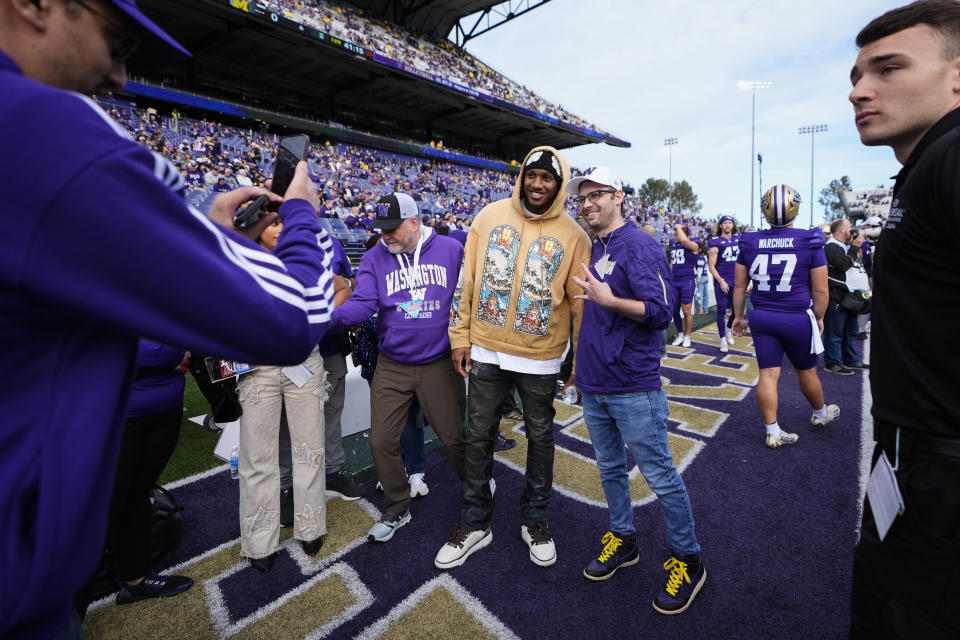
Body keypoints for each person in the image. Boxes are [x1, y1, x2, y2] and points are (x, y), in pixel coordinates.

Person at [0, 1, 335, 636]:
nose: (121, 78)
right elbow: (294, 315)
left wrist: (198, 238)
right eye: (118, 43)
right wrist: (301, 218)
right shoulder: (44, 126)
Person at [848, 2, 960, 636]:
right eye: (858, 75)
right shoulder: (923, 167)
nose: (860, 91)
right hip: (915, 459)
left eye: (888, 68)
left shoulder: (950, 156)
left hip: (940, 471)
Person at [435, 146, 591, 570]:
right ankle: (474, 521)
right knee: (479, 433)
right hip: (486, 348)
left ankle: (535, 519)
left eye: (548, 179)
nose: (538, 185)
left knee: (541, 439)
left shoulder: (576, 236)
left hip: (542, 359)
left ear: (558, 185)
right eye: (532, 176)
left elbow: (579, 305)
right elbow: (467, 279)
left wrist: (579, 362)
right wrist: (459, 336)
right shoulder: (487, 216)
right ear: (522, 176)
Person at [568, 167, 706, 615]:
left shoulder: (641, 245)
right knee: (609, 469)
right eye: (582, 199)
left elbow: (661, 311)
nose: (587, 204)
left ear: (619, 196)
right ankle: (624, 538)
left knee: (661, 476)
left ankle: (688, 558)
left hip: (631, 384)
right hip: (594, 382)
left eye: (596, 196)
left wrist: (611, 302)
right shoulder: (597, 243)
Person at [330, 193, 467, 543]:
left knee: (454, 437)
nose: (385, 236)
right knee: (381, 439)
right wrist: (325, 317)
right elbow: (364, 304)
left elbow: (468, 297)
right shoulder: (377, 255)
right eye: (381, 229)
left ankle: (477, 488)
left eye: (392, 229)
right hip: (393, 362)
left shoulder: (451, 250)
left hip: (438, 360)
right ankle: (397, 506)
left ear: (414, 223)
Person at [236, 220, 331, 573]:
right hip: (256, 365)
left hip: (303, 360)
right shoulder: (240, 258)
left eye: (283, 221)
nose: (278, 227)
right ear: (256, 223)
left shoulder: (306, 257)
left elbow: (335, 290)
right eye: (271, 221)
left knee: (310, 448)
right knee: (257, 456)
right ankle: (259, 542)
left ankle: (311, 526)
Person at [732, 185, 840, 449]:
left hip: (763, 316)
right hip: (795, 317)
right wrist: (820, 317)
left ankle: (772, 430)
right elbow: (821, 289)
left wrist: (738, 316)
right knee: (807, 370)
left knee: (768, 375)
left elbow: (738, 286)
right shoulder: (810, 239)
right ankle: (820, 413)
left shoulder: (749, 241)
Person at [822, 218, 869, 375]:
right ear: (841, 230)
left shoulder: (844, 246)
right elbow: (842, 264)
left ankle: (851, 360)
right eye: (850, 227)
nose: (852, 230)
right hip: (838, 296)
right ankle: (832, 362)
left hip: (850, 297)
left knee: (851, 331)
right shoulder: (832, 246)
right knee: (834, 332)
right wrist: (855, 248)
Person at [708, 215, 740, 353]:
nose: (727, 225)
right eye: (725, 223)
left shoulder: (739, 239)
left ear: (733, 225)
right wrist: (721, 281)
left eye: (729, 222)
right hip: (722, 279)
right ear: (720, 226)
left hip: (737, 279)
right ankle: (722, 339)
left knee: (737, 310)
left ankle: (728, 330)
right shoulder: (715, 242)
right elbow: (711, 266)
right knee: (721, 309)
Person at [668, 224, 700, 347]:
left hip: (687, 280)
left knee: (686, 310)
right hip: (674, 281)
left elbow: (685, 241)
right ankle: (680, 334)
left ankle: (688, 336)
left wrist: (678, 227)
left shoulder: (693, 243)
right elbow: (672, 262)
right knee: (674, 309)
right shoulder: (673, 243)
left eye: (677, 234)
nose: (674, 236)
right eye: (674, 234)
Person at [694, 246, 710, 315]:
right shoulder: (705, 257)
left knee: (699, 295)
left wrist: (698, 279)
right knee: (706, 294)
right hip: (706, 276)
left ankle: (699, 310)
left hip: (701, 277)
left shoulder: (699, 258)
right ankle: (705, 310)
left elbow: (700, 269)